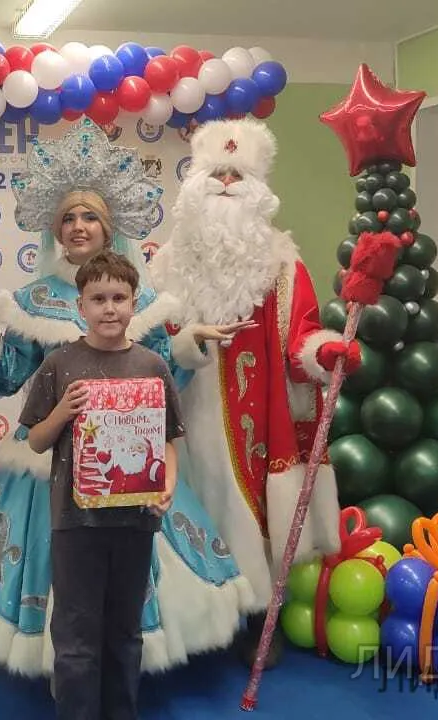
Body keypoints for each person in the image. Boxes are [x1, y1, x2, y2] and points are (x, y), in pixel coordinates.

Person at [0, 119, 259, 680]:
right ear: (55, 229)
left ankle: (125, 658)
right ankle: (65, 665)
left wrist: (188, 344)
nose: (78, 227)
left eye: (90, 217)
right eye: (69, 218)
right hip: (52, 459)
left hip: (130, 458)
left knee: (127, 567)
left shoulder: (142, 300)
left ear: (109, 228)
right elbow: (10, 377)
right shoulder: (33, 298)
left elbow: (160, 379)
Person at [148, 118, 364, 669]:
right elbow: (148, 335)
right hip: (180, 409)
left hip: (254, 414)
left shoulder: (282, 264)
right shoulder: (166, 263)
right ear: (195, 182)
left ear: (258, 189)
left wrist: (325, 351)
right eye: (216, 173)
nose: (225, 183)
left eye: (237, 175)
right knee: (183, 502)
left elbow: (303, 331)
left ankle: (256, 616)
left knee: (247, 510)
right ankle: (191, 614)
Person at [21, 250, 182, 720]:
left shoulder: (152, 366)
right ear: (81, 306)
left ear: (134, 303)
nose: (109, 308)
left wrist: (167, 484)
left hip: (135, 521)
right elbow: (35, 441)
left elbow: (168, 441)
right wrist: (61, 413)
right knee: (76, 634)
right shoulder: (60, 364)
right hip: (76, 523)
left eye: (119, 298)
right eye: (98, 299)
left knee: (125, 631)